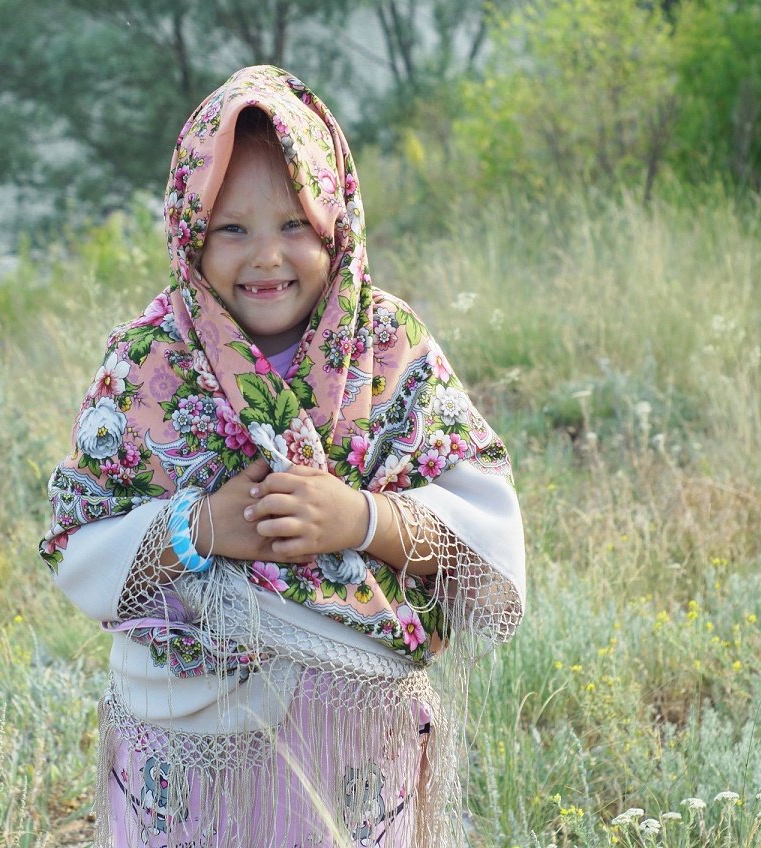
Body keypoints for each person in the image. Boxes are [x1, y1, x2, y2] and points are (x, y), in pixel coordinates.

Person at [42, 65, 526, 847]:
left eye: (295, 223)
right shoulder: (148, 361)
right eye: (232, 229)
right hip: (190, 747)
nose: (266, 257)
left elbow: (485, 532)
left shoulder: (387, 344)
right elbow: (79, 539)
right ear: (190, 232)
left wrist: (360, 519)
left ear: (335, 222)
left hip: (351, 740)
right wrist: (198, 529)